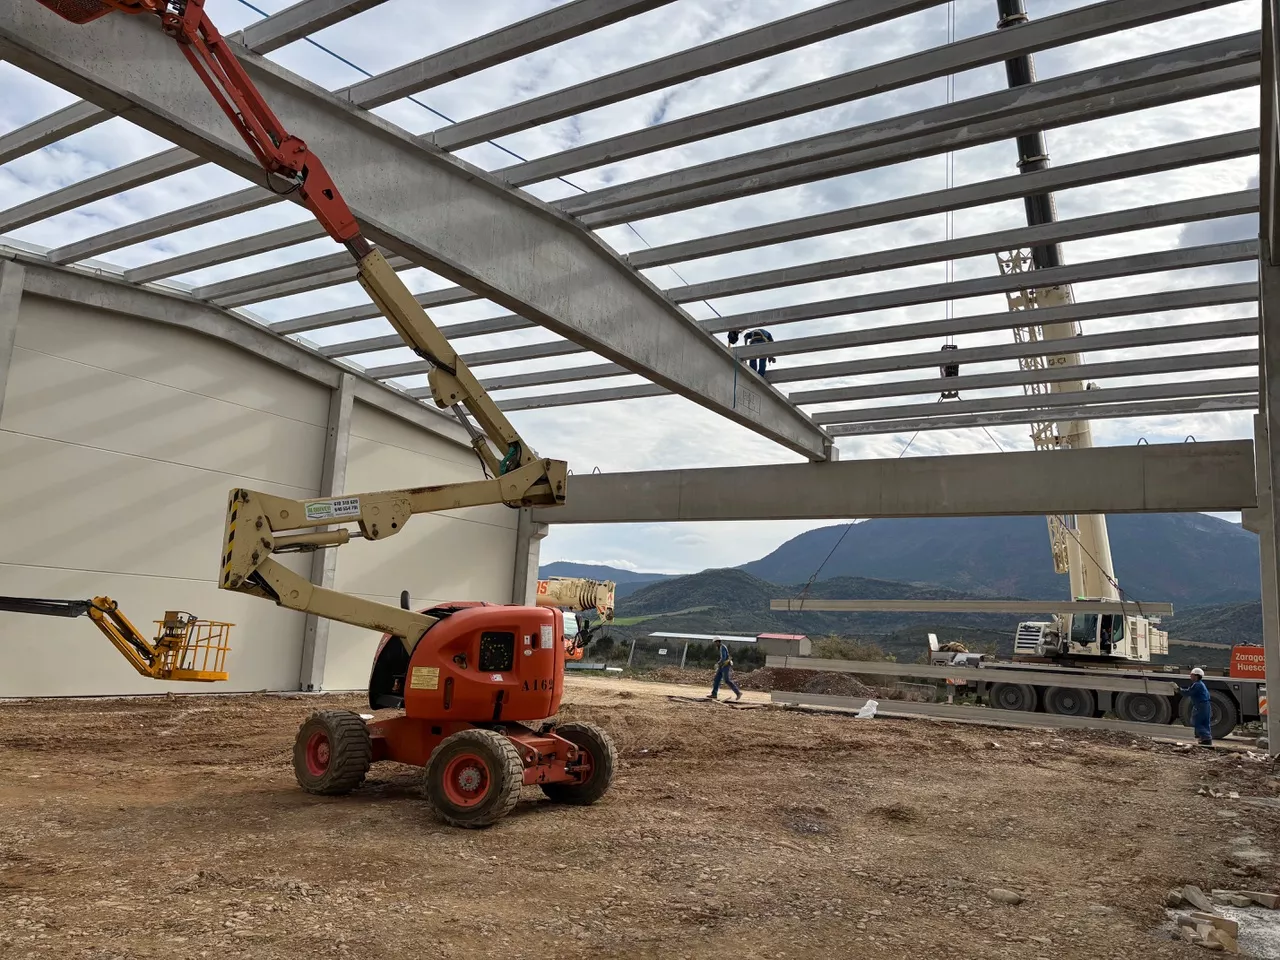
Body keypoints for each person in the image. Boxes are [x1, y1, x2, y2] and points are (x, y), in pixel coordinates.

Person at [708, 637, 742, 702]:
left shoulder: (722, 647)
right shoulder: (721, 647)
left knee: (727, 680)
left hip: (726, 666)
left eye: (715, 642)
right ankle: (714, 694)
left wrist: (718, 663)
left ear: (717, 642)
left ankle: (738, 693)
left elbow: (723, 658)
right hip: (722, 666)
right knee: (717, 679)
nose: (715, 644)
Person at [1185, 667, 1213, 747]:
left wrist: (1178, 690)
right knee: (1205, 723)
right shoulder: (1201, 684)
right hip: (1206, 705)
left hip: (1200, 705)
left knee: (1196, 722)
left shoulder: (1197, 685)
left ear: (1196, 676)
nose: (1190, 676)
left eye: (1192, 675)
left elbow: (1189, 692)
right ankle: (1206, 740)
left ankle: (1206, 738)